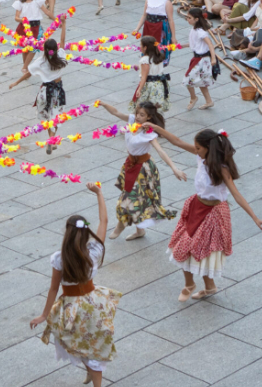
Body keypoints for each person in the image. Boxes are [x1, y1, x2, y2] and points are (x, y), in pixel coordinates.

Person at [149, 127, 262, 300]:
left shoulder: (221, 168)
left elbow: (236, 194)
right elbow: (176, 140)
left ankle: (209, 286)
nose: (195, 150)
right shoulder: (201, 156)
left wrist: (255, 217)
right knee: (183, 244)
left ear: (208, 148)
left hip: (214, 213)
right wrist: (155, 128)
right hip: (196, 207)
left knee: (203, 250)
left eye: (198, 148)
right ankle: (190, 284)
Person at [29, 183, 119, 387]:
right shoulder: (94, 252)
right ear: (86, 233)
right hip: (94, 303)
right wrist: (99, 193)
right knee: (94, 343)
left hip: (70, 308)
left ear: (66, 234)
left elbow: (53, 288)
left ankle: (91, 375)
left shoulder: (59, 259)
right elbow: (104, 221)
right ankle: (94, 377)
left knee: (75, 341)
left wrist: (44, 315)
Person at [100, 102, 185, 240]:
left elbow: (161, 151)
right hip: (130, 164)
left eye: (142, 115)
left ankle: (120, 226)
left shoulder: (149, 133)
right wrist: (103, 103)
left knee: (129, 198)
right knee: (138, 199)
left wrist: (174, 168)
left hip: (143, 169)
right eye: (137, 113)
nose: (138, 117)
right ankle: (140, 231)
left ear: (149, 117)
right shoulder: (132, 120)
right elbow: (116, 112)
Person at [182, 8, 217, 110]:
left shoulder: (201, 32)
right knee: (202, 82)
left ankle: (193, 97)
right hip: (198, 58)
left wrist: (213, 58)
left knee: (187, 79)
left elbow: (210, 44)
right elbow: (195, 44)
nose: (188, 19)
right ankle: (209, 101)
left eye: (189, 18)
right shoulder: (194, 30)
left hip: (202, 60)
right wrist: (182, 46)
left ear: (196, 19)